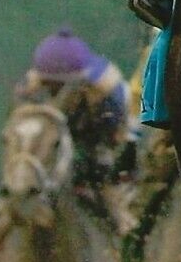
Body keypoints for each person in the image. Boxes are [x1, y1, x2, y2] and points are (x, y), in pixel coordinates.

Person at [17, 30, 136, 209]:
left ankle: (126, 224)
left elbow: (114, 142)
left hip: (117, 137)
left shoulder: (107, 95)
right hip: (79, 131)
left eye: (58, 86)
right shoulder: (32, 84)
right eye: (48, 84)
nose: (53, 91)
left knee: (112, 188)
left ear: (78, 84)